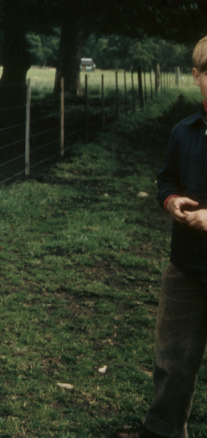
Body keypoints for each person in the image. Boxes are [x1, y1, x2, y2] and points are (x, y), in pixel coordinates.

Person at [119, 36, 207, 438]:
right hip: (185, 265)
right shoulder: (184, 131)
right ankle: (163, 429)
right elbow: (166, 178)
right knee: (172, 357)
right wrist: (169, 200)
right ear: (196, 76)